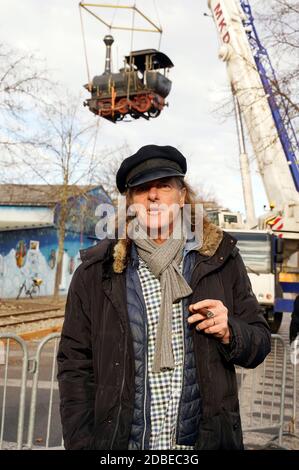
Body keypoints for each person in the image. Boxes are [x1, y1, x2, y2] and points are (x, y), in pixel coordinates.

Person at [57, 144, 271, 450]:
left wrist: (230, 331)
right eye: (143, 188)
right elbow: (74, 365)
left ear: (182, 196)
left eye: (164, 186)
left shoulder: (220, 260)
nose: (153, 196)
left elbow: (260, 342)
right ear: (130, 201)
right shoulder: (97, 272)